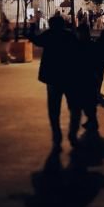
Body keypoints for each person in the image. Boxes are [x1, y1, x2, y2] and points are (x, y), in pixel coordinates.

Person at [30, 14, 82, 150]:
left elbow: (35, 40)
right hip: (70, 77)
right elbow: (78, 53)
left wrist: (31, 27)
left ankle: (57, 136)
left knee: (54, 109)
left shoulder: (49, 35)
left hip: (52, 77)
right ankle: (72, 134)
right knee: (75, 107)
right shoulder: (69, 36)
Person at [73, 23, 101, 134]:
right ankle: (92, 120)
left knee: (88, 101)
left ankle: (92, 121)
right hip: (88, 76)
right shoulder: (90, 44)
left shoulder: (83, 45)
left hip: (86, 77)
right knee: (88, 101)